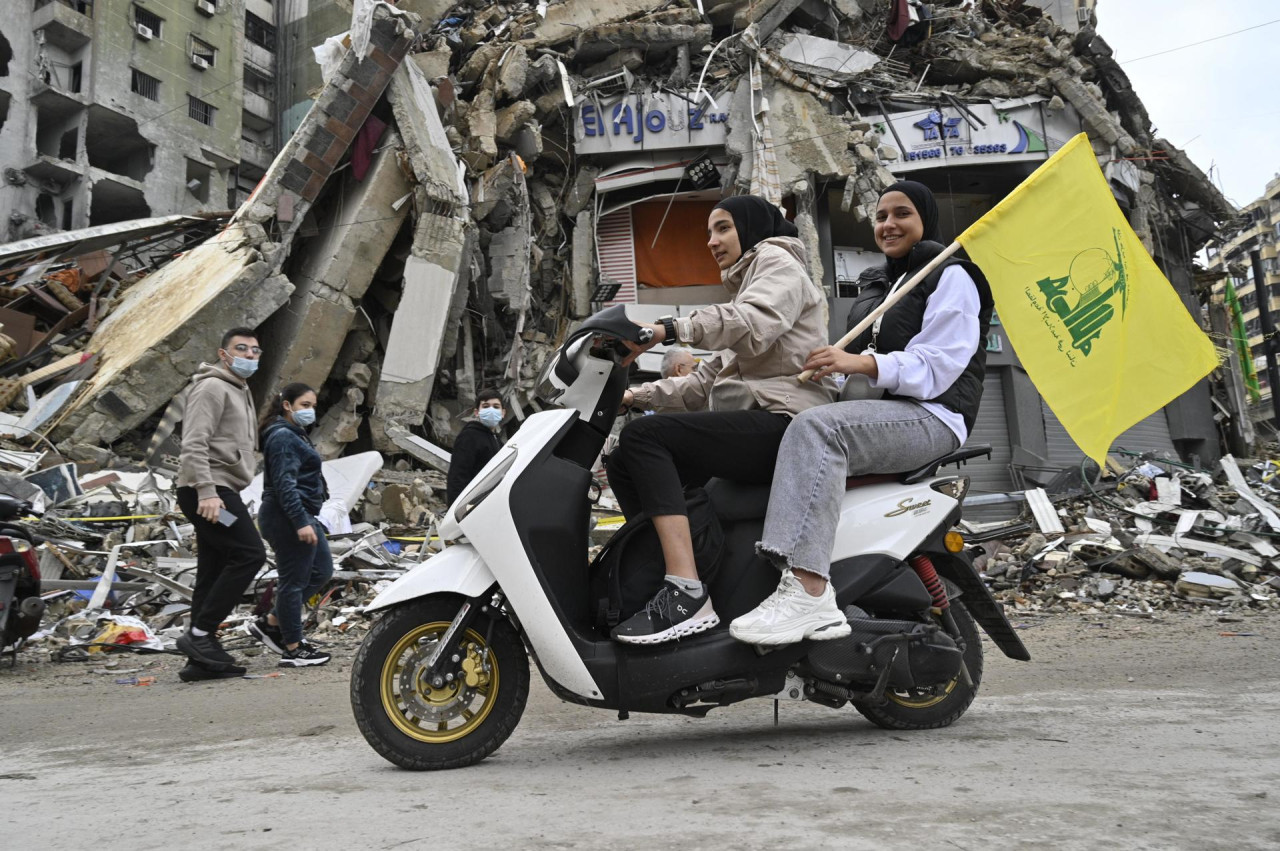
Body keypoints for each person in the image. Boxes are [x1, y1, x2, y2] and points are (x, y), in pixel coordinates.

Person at [730, 181, 994, 646]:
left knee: (816, 431)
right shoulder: (877, 285)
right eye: (880, 217)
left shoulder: (952, 275)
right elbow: (859, 361)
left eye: (902, 214)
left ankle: (808, 591)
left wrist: (859, 363)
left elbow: (937, 367)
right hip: (877, 412)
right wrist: (822, 372)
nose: (888, 225)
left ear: (925, 220)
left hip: (932, 416)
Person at [604, 195, 834, 645]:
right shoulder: (747, 287)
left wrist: (666, 329)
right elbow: (701, 383)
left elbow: (751, 323)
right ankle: (687, 567)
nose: (712, 241)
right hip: (754, 421)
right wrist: (631, 396)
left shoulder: (778, 264)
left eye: (723, 228)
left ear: (752, 229)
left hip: (786, 423)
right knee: (622, 459)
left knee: (645, 440)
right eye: (709, 232)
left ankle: (685, 590)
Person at [174, 327, 268, 680]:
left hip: (219, 489)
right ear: (223, 353)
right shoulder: (211, 387)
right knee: (250, 553)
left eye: (255, 351)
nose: (249, 355)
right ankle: (199, 635)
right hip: (210, 493)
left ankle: (200, 660)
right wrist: (207, 492)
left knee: (213, 566)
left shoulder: (239, 389)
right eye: (240, 349)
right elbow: (193, 443)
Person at [246, 383, 334, 667]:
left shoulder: (295, 434)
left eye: (313, 406)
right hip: (287, 516)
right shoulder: (283, 436)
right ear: (287, 405)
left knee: (322, 570)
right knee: (293, 582)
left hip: (303, 514)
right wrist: (299, 521)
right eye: (304, 405)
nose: (311, 411)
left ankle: (272, 622)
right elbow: (285, 485)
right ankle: (293, 649)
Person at [446, 388, 505, 506]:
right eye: (486, 406)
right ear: (477, 412)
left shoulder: (496, 439)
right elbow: (457, 477)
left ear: (503, 413)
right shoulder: (469, 436)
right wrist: (456, 512)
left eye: (496, 406)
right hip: (473, 506)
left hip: (489, 504)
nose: (491, 410)